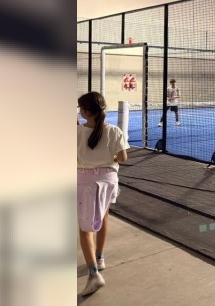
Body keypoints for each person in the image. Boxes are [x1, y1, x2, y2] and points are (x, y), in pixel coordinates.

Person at [77, 92, 130, 296]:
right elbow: (122, 157)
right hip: (109, 180)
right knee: (104, 215)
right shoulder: (114, 131)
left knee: (85, 228)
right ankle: (99, 258)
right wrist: (108, 158)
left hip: (85, 181)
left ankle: (94, 275)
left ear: (85, 111)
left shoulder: (76, 132)